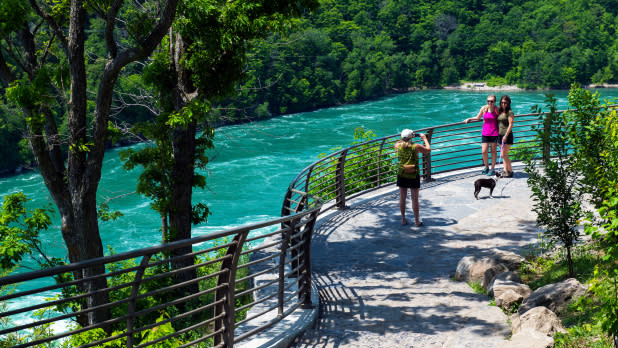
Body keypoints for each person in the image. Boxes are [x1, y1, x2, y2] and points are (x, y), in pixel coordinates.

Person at [395, 129, 431, 226]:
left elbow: (399, 142)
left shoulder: (397, 146)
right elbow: (428, 150)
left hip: (402, 174)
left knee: (402, 198)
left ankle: (403, 219)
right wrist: (424, 138)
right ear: (411, 137)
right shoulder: (416, 147)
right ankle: (416, 221)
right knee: (414, 199)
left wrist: (408, 137)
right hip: (413, 175)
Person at [464, 94, 499, 176]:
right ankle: (486, 167)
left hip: (494, 132)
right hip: (485, 133)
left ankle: (492, 169)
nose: (489, 102)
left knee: (493, 151)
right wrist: (469, 119)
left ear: (494, 102)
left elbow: (501, 118)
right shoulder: (484, 108)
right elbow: (478, 118)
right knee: (484, 151)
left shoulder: (497, 109)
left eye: (491, 101)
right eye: (488, 101)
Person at [497, 95, 515, 177]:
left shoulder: (510, 112)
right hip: (500, 135)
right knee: (503, 154)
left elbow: (511, 124)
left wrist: (505, 136)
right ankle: (505, 170)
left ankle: (510, 171)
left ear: (508, 103)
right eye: (502, 102)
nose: (503, 104)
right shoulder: (500, 111)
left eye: (505, 103)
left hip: (507, 136)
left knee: (504, 154)